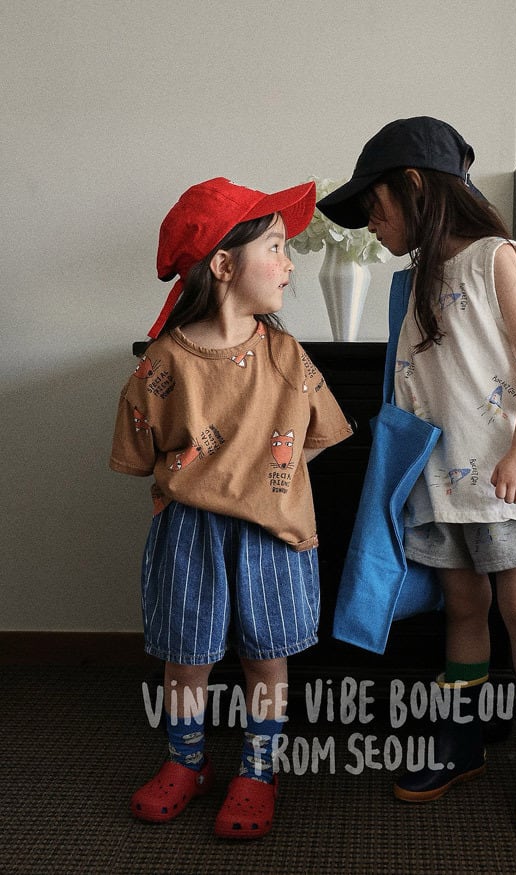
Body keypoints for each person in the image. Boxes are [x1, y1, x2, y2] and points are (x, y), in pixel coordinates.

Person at [318, 117, 516, 833]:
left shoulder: (495, 257)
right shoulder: (413, 283)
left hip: (506, 475)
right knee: (462, 607)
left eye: (376, 208)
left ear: (416, 186)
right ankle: (462, 740)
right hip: (442, 477)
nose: (371, 226)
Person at [110, 177, 353, 839]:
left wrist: (266, 483)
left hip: (271, 537)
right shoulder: (162, 363)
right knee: (185, 656)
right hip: (189, 534)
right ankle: (185, 761)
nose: (289, 263)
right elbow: (139, 452)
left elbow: (318, 436)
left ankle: (259, 768)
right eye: (274, 247)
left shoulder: (286, 355)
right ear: (223, 265)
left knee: (265, 657)